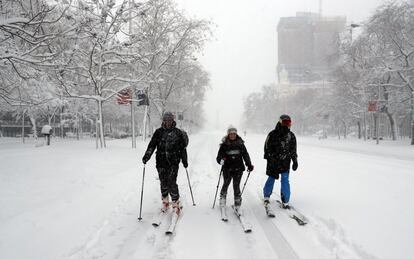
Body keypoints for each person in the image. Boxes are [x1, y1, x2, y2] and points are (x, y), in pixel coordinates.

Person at [142, 112, 188, 215]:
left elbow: (182, 149)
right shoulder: (158, 132)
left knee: (172, 183)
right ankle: (165, 202)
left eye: (170, 120)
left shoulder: (178, 133)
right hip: (161, 162)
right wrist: (147, 156)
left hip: (173, 162)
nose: (168, 122)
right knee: (163, 182)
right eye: (166, 120)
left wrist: (185, 160)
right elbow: (152, 145)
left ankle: (176, 204)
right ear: (163, 120)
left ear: (173, 120)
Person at [263, 114, 298, 209]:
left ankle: (285, 201)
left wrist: (295, 160)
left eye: (289, 122)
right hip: (273, 161)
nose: (287, 124)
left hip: (285, 162)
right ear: (280, 122)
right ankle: (266, 196)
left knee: (285, 180)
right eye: (285, 122)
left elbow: (293, 150)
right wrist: (271, 157)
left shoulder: (291, 136)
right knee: (271, 178)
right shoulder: (272, 134)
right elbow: (266, 148)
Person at [216, 126, 254, 210]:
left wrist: (249, 164)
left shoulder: (240, 144)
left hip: (238, 168)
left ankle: (237, 202)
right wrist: (221, 160)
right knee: (226, 183)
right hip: (227, 168)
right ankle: (222, 199)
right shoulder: (224, 145)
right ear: (228, 134)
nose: (232, 135)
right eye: (231, 134)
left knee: (236, 185)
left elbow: (245, 155)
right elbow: (219, 156)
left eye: (234, 134)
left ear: (236, 134)